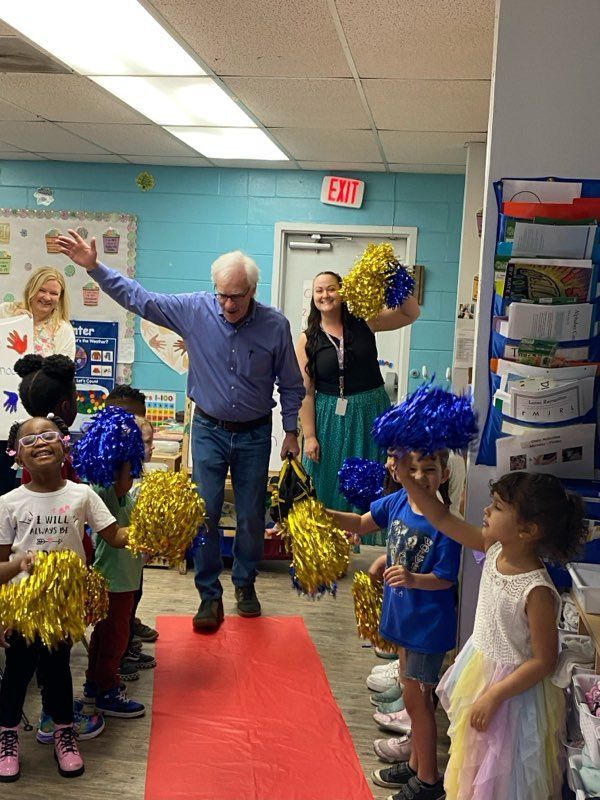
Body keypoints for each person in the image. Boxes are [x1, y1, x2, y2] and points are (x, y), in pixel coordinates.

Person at [57, 231, 305, 632]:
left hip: (255, 432)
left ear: (253, 291)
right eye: (222, 295)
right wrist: (94, 267)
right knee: (203, 512)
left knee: (251, 515)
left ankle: (244, 584)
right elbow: (140, 298)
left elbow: (292, 384)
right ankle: (210, 596)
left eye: (237, 296)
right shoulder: (194, 309)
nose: (228, 304)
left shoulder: (275, 325)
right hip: (207, 427)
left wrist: (291, 430)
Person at [392, 457, 587, 800]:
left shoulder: (537, 590)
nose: (486, 510)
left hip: (513, 698)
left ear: (528, 530)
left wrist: (495, 695)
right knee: (474, 763)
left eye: (497, 507)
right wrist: (407, 481)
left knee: (503, 776)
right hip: (480, 672)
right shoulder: (492, 548)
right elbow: (440, 517)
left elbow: (543, 660)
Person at [0, 414, 129, 782]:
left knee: (57, 670)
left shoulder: (81, 494)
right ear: (17, 457)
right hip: (21, 605)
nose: (40, 442)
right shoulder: (9, 502)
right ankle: (7, 735)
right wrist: (19, 569)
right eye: (29, 440)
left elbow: (114, 535)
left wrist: (148, 535)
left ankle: (63, 732)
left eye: (49, 435)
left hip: (63, 605)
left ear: (64, 446)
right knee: (17, 672)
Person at [328, 450, 461, 800]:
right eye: (412, 468)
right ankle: (417, 764)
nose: (419, 477)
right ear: (400, 470)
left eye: (429, 469)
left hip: (426, 627)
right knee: (409, 694)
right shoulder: (398, 500)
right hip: (402, 620)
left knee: (418, 701)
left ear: (444, 474)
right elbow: (359, 524)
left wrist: (413, 579)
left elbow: (446, 579)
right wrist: (321, 514)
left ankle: (429, 780)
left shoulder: (446, 521)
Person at [296, 271, 419, 545]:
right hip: (328, 416)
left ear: (343, 292)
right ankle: (324, 548)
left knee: (374, 479)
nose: (325, 295)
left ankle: (371, 547)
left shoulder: (366, 321)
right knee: (327, 478)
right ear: (313, 297)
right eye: (319, 290)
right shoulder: (307, 339)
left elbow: (411, 313)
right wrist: (310, 435)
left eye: (331, 289)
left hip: (370, 413)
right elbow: (305, 391)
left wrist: (394, 276)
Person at [74, 407, 148, 719]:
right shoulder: (106, 492)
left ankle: (95, 683)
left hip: (125, 579)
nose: (133, 477)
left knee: (106, 635)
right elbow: (117, 530)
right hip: (114, 581)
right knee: (115, 636)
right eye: (130, 470)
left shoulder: (123, 495)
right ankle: (106, 688)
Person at [0, 268, 76, 496]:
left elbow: (64, 372)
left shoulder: (62, 329)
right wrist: (16, 321)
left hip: (38, 414)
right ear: (31, 289)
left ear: (60, 298)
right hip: (3, 411)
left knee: (35, 480)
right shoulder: (7, 312)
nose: (46, 297)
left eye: (54, 293)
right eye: (41, 290)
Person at [104, 384, 159, 658]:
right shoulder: (108, 471)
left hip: (132, 559)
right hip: (113, 559)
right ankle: (118, 654)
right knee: (114, 611)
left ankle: (125, 640)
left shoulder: (139, 469)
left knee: (131, 599)